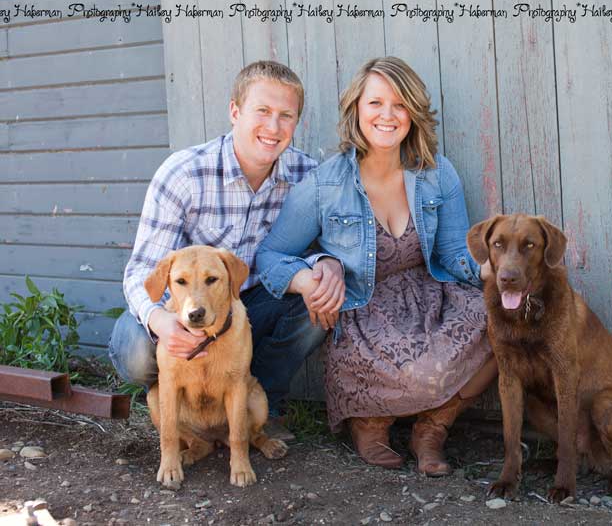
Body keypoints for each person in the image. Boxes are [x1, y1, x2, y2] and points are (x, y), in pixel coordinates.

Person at [256, 57, 497, 475]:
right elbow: (269, 256)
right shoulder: (324, 184)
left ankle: (433, 427)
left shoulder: (438, 174)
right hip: (365, 309)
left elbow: (454, 253)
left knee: (504, 324)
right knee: (423, 371)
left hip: (429, 295)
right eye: (376, 103)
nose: (388, 115)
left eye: (400, 105)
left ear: (414, 113)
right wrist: (306, 278)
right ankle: (371, 421)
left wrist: (488, 273)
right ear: (356, 110)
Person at [108, 61, 344, 439]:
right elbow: (140, 271)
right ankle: (186, 410)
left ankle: (260, 407)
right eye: (262, 111)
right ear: (235, 111)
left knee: (320, 295)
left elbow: (323, 245)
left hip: (253, 304)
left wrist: (328, 262)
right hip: (185, 307)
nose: (273, 127)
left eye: (286, 116)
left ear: (297, 122)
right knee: (136, 355)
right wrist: (160, 322)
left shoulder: (306, 176)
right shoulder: (184, 173)